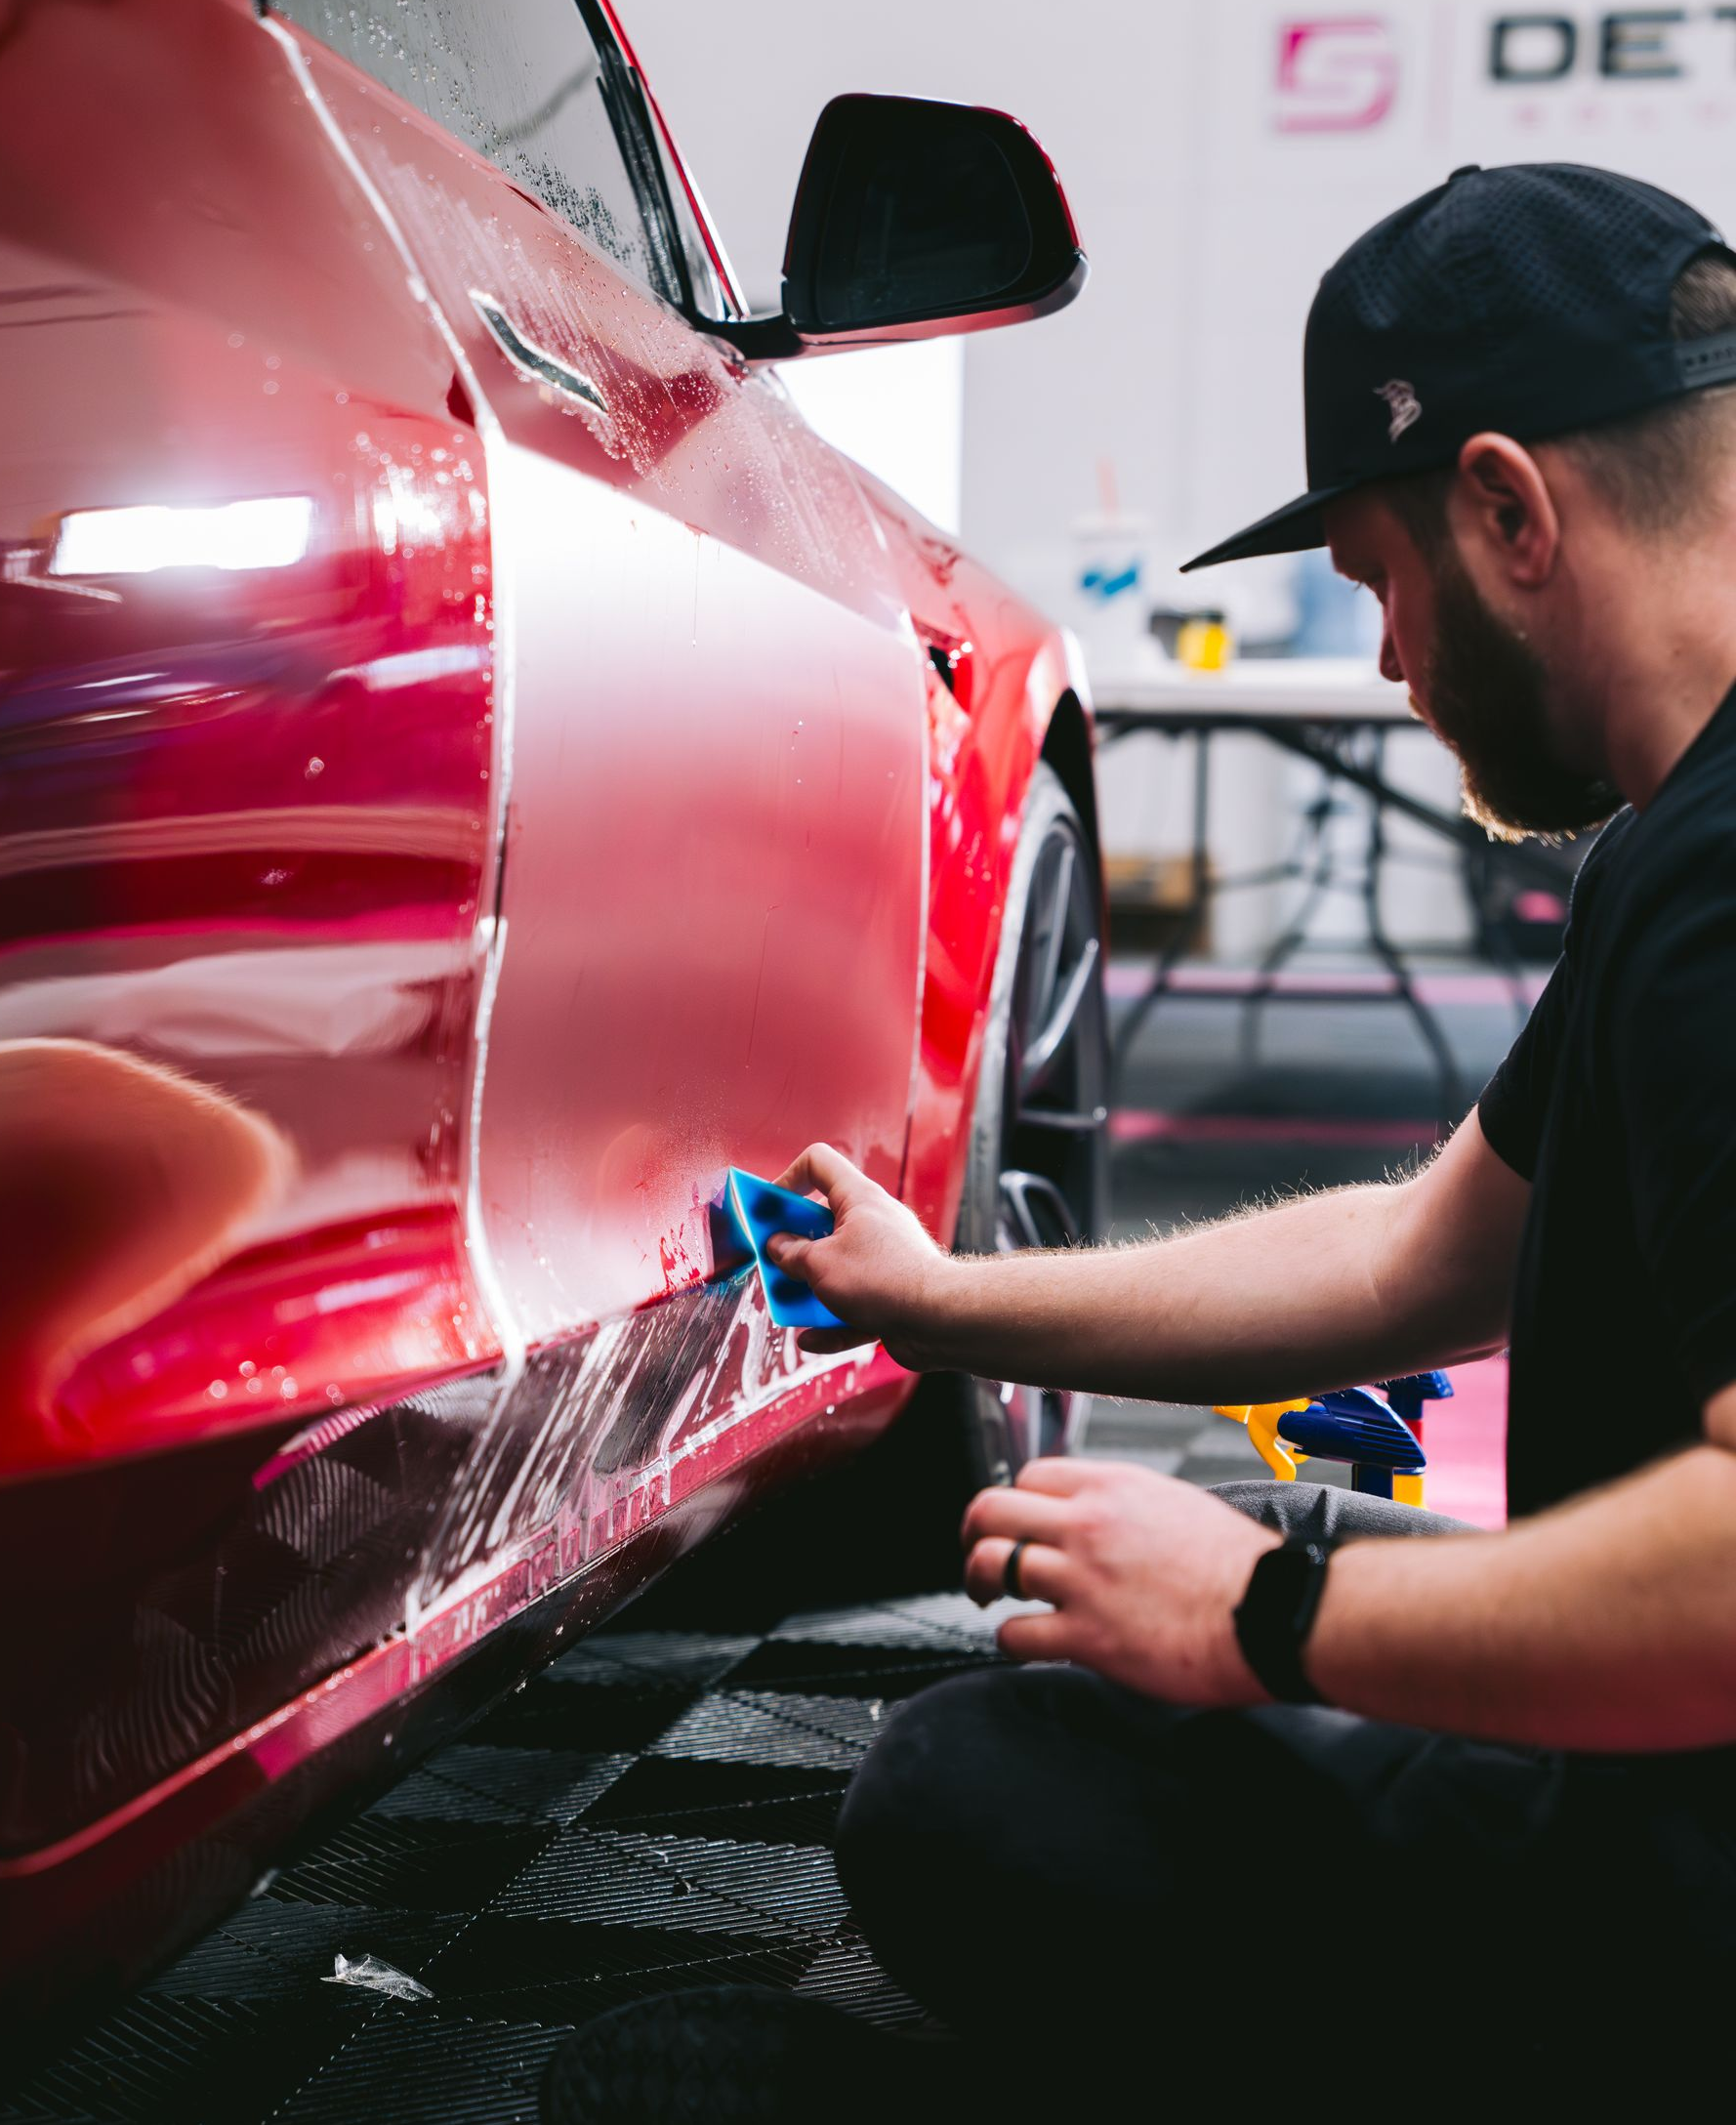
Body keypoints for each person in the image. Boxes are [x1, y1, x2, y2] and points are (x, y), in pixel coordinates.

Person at [543, 163, 1736, 2118]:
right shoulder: (1675, 851)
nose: (1382, 665)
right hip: (1655, 1799)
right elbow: (1406, 1254)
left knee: (684, 2078)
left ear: (1512, 508)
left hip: (1683, 1917)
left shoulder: (1716, 887)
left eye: (1377, 580)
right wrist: (946, 1297)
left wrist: (1264, 1608)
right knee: (987, 1775)